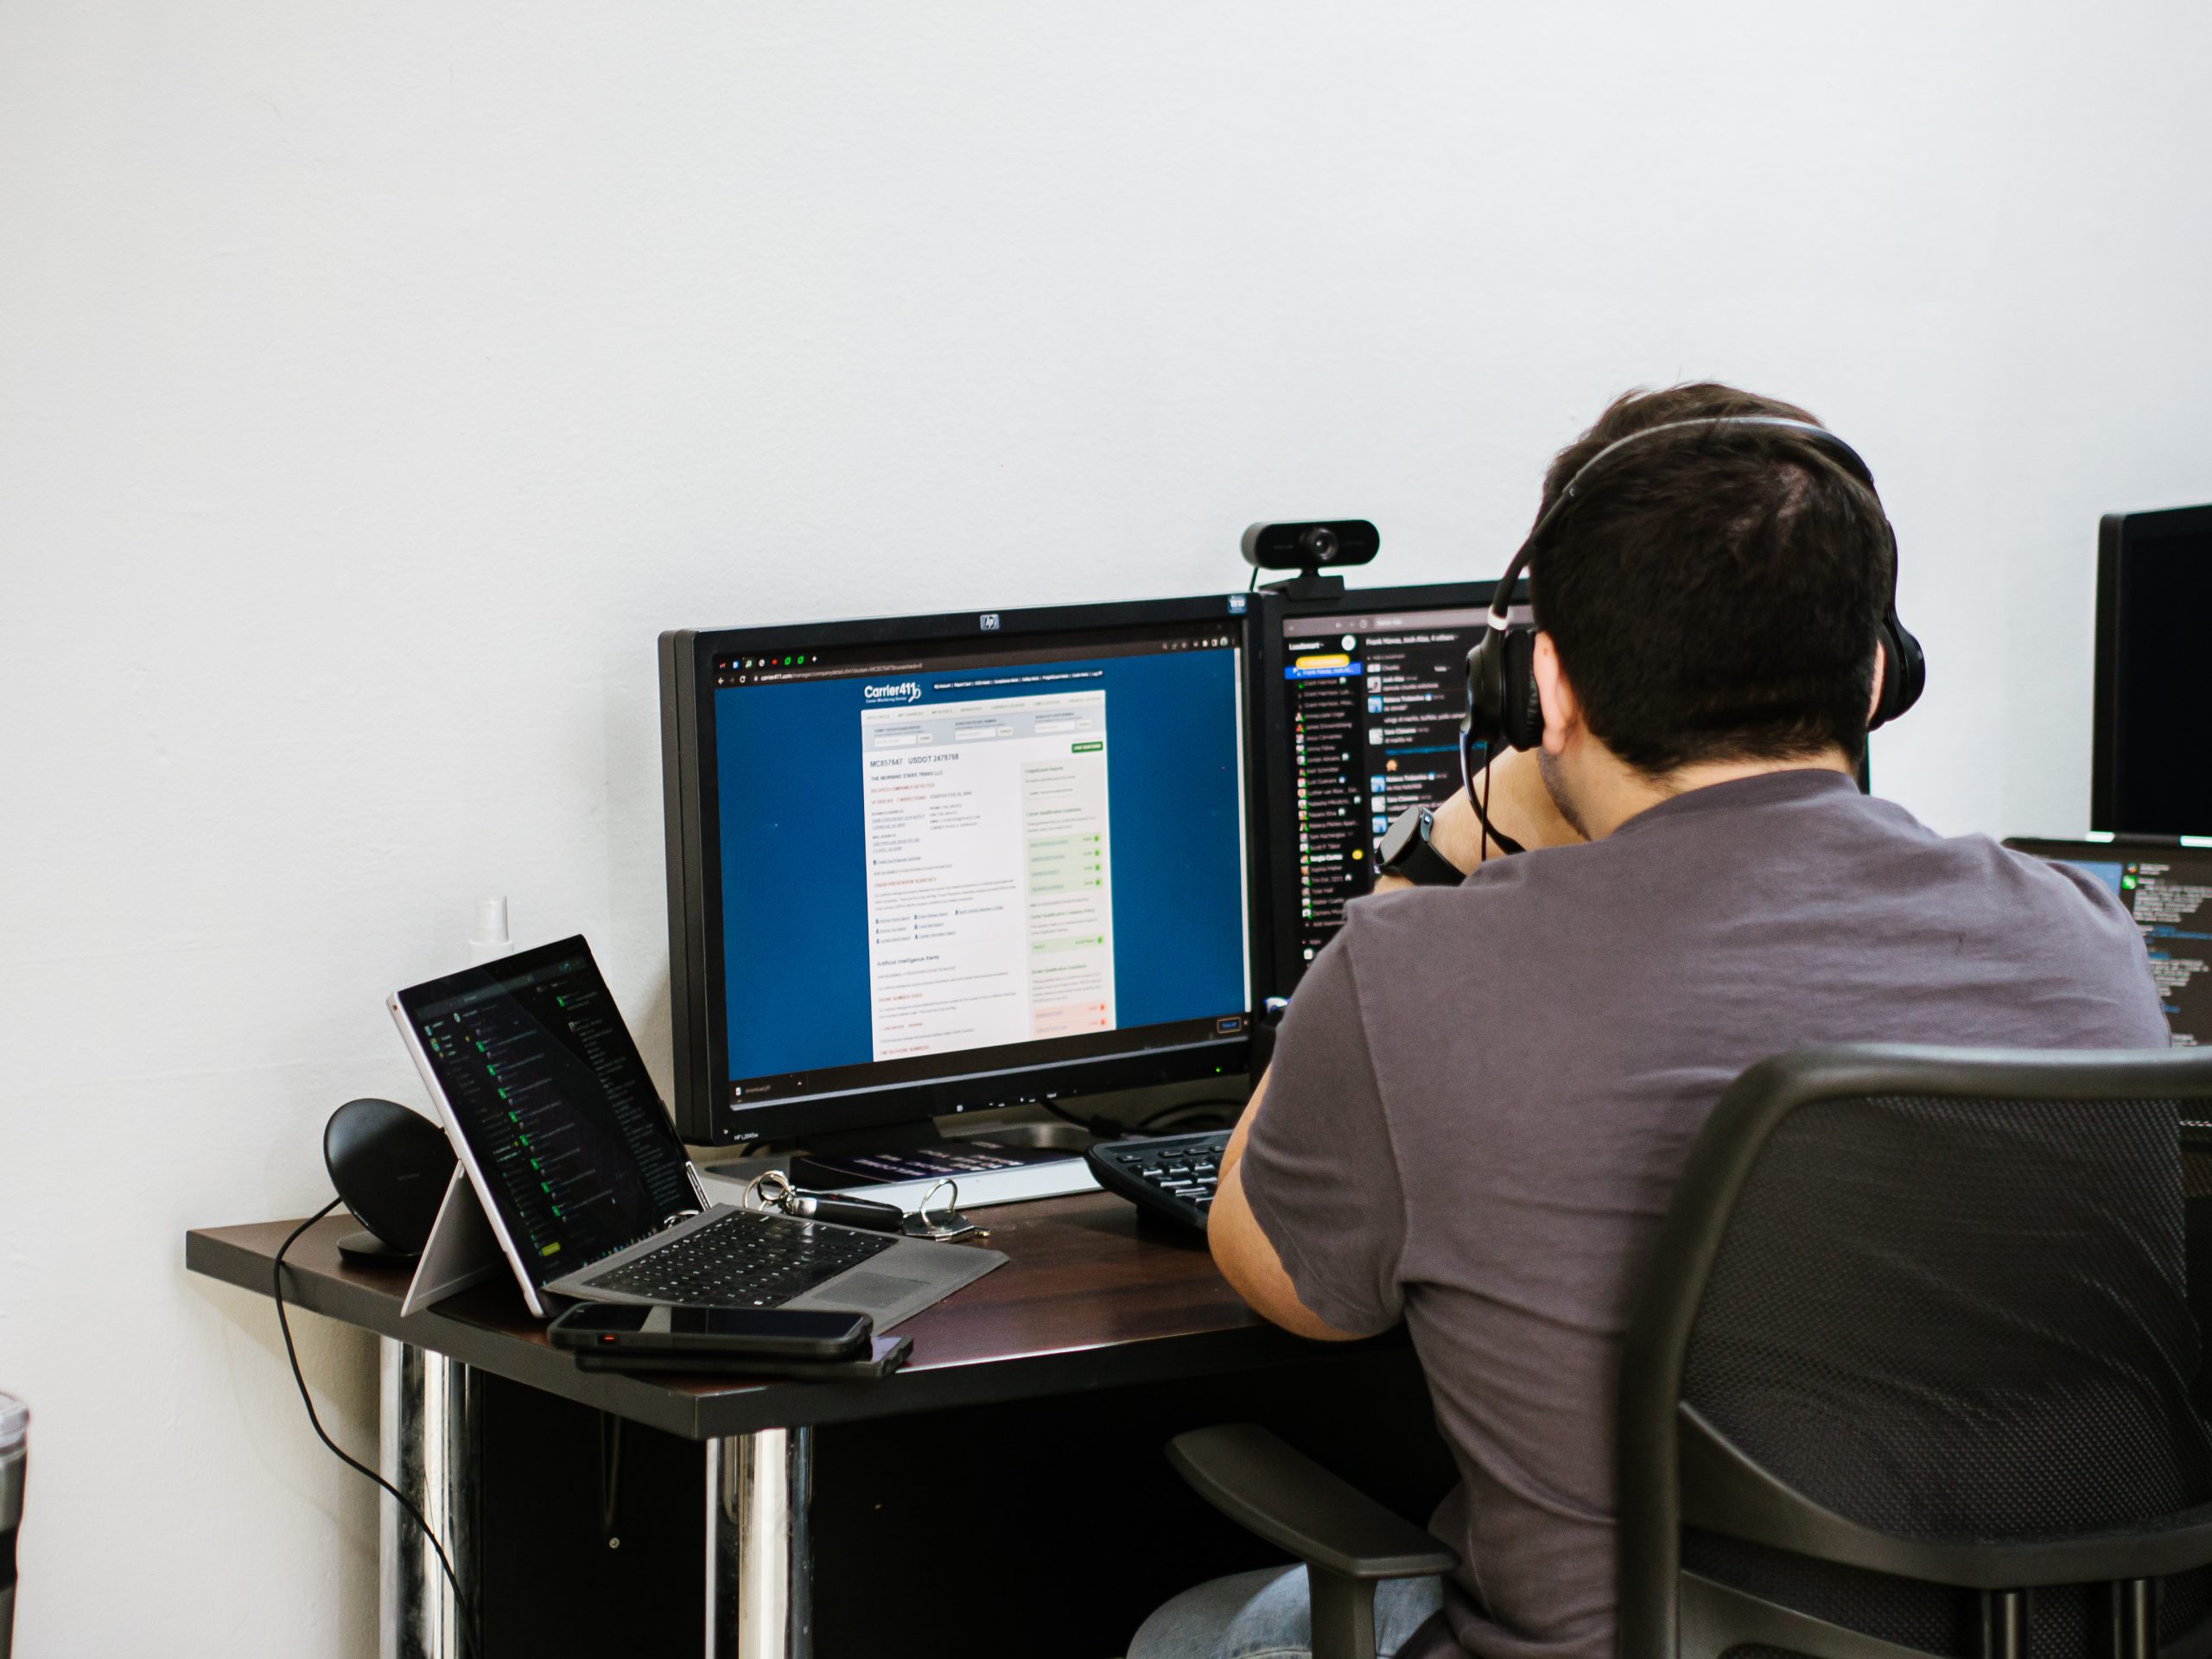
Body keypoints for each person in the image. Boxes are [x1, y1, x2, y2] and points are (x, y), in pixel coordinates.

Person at [1129, 383, 2171, 1659]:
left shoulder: (1420, 969)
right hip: (2064, 1639)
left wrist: (1444, 853)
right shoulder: (2084, 937)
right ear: (1879, 675)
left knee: (1196, 1629)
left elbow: (1291, 1288)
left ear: (1543, 689)